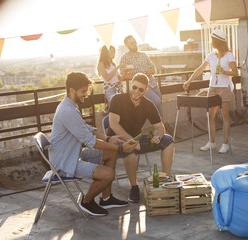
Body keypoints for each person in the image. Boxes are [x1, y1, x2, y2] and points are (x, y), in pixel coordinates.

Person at [49, 71, 137, 216]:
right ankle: (87, 201)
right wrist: (121, 147)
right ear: (72, 90)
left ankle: (106, 198)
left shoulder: (71, 105)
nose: (86, 95)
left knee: (111, 151)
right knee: (108, 174)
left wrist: (108, 139)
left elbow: (87, 128)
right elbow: (90, 141)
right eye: (83, 91)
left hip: (72, 154)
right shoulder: (67, 110)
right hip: (64, 163)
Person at [108, 73, 174, 203]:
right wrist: (130, 140)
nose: (136, 91)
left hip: (136, 138)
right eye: (134, 87)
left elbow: (159, 127)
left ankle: (165, 180)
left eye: (141, 89)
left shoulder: (148, 104)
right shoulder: (117, 99)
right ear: (130, 84)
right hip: (117, 140)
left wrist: (157, 136)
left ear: (145, 91)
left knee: (168, 140)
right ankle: (134, 187)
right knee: (130, 149)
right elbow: (113, 124)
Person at [183, 29, 239, 154]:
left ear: (218, 42)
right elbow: (200, 69)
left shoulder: (229, 55)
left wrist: (225, 72)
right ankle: (211, 142)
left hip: (225, 87)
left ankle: (225, 144)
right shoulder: (211, 56)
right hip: (213, 87)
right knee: (210, 116)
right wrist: (189, 81)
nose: (210, 42)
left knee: (224, 116)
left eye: (212, 40)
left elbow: (235, 72)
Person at [119, 35, 163, 118]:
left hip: (153, 83)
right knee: (157, 101)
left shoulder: (143, 55)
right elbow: (123, 74)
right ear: (127, 46)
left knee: (159, 104)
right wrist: (137, 77)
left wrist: (151, 70)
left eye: (135, 42)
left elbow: (153, 68)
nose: (135, 44)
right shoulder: (125, 58)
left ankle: (160, 127)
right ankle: (157, 125)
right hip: (142, 86)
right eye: (132, 43)